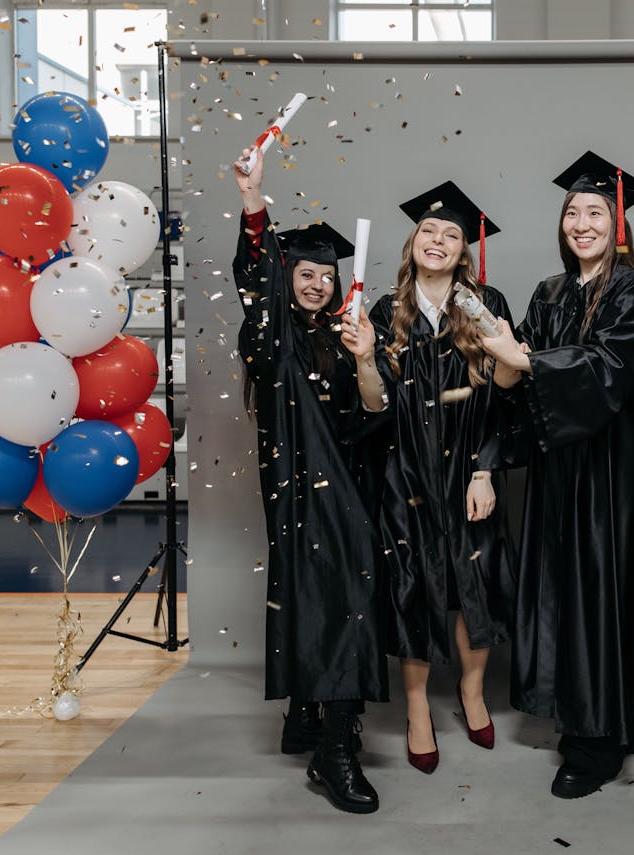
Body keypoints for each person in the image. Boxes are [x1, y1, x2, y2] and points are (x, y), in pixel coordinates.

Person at [479, 151, 634, 799]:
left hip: (611, 478)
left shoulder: (632, 291)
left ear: (619, 227)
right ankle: (580, 721)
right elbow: (517, 374)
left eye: (595, 213)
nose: (581, 224)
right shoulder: (549, 292)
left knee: (601, 604)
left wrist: (524, 360)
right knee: (562, 596)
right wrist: (500, 357)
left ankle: (597, 744)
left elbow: (606, 370)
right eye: (573, 213)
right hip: (561, 475)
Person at [232, 145, 390, 814]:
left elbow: (370, 421)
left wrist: (366, 361)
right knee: (322, 595)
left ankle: (319, 725)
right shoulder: (269, 336)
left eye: (328, 273)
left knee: (334, 596)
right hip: (296, 488)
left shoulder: (348, 335)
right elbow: (254, 275)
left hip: (351, 488)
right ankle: (331, 743)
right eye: (304, 271)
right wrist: (253, 198)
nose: (317, 281)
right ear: (285, 274)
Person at [365, 180, 517, 775]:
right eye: (429, 230)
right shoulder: (386, 312)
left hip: (468, 472)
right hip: (405, 475)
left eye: (452, 234)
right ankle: (416, 709)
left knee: (470, 589)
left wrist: (485, 469)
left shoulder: (485, 305)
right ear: (413, 242)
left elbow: (506, 396)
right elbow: (374, 404)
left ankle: (472, 693)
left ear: (464, 251)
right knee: (412, 588)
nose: (439, 240)